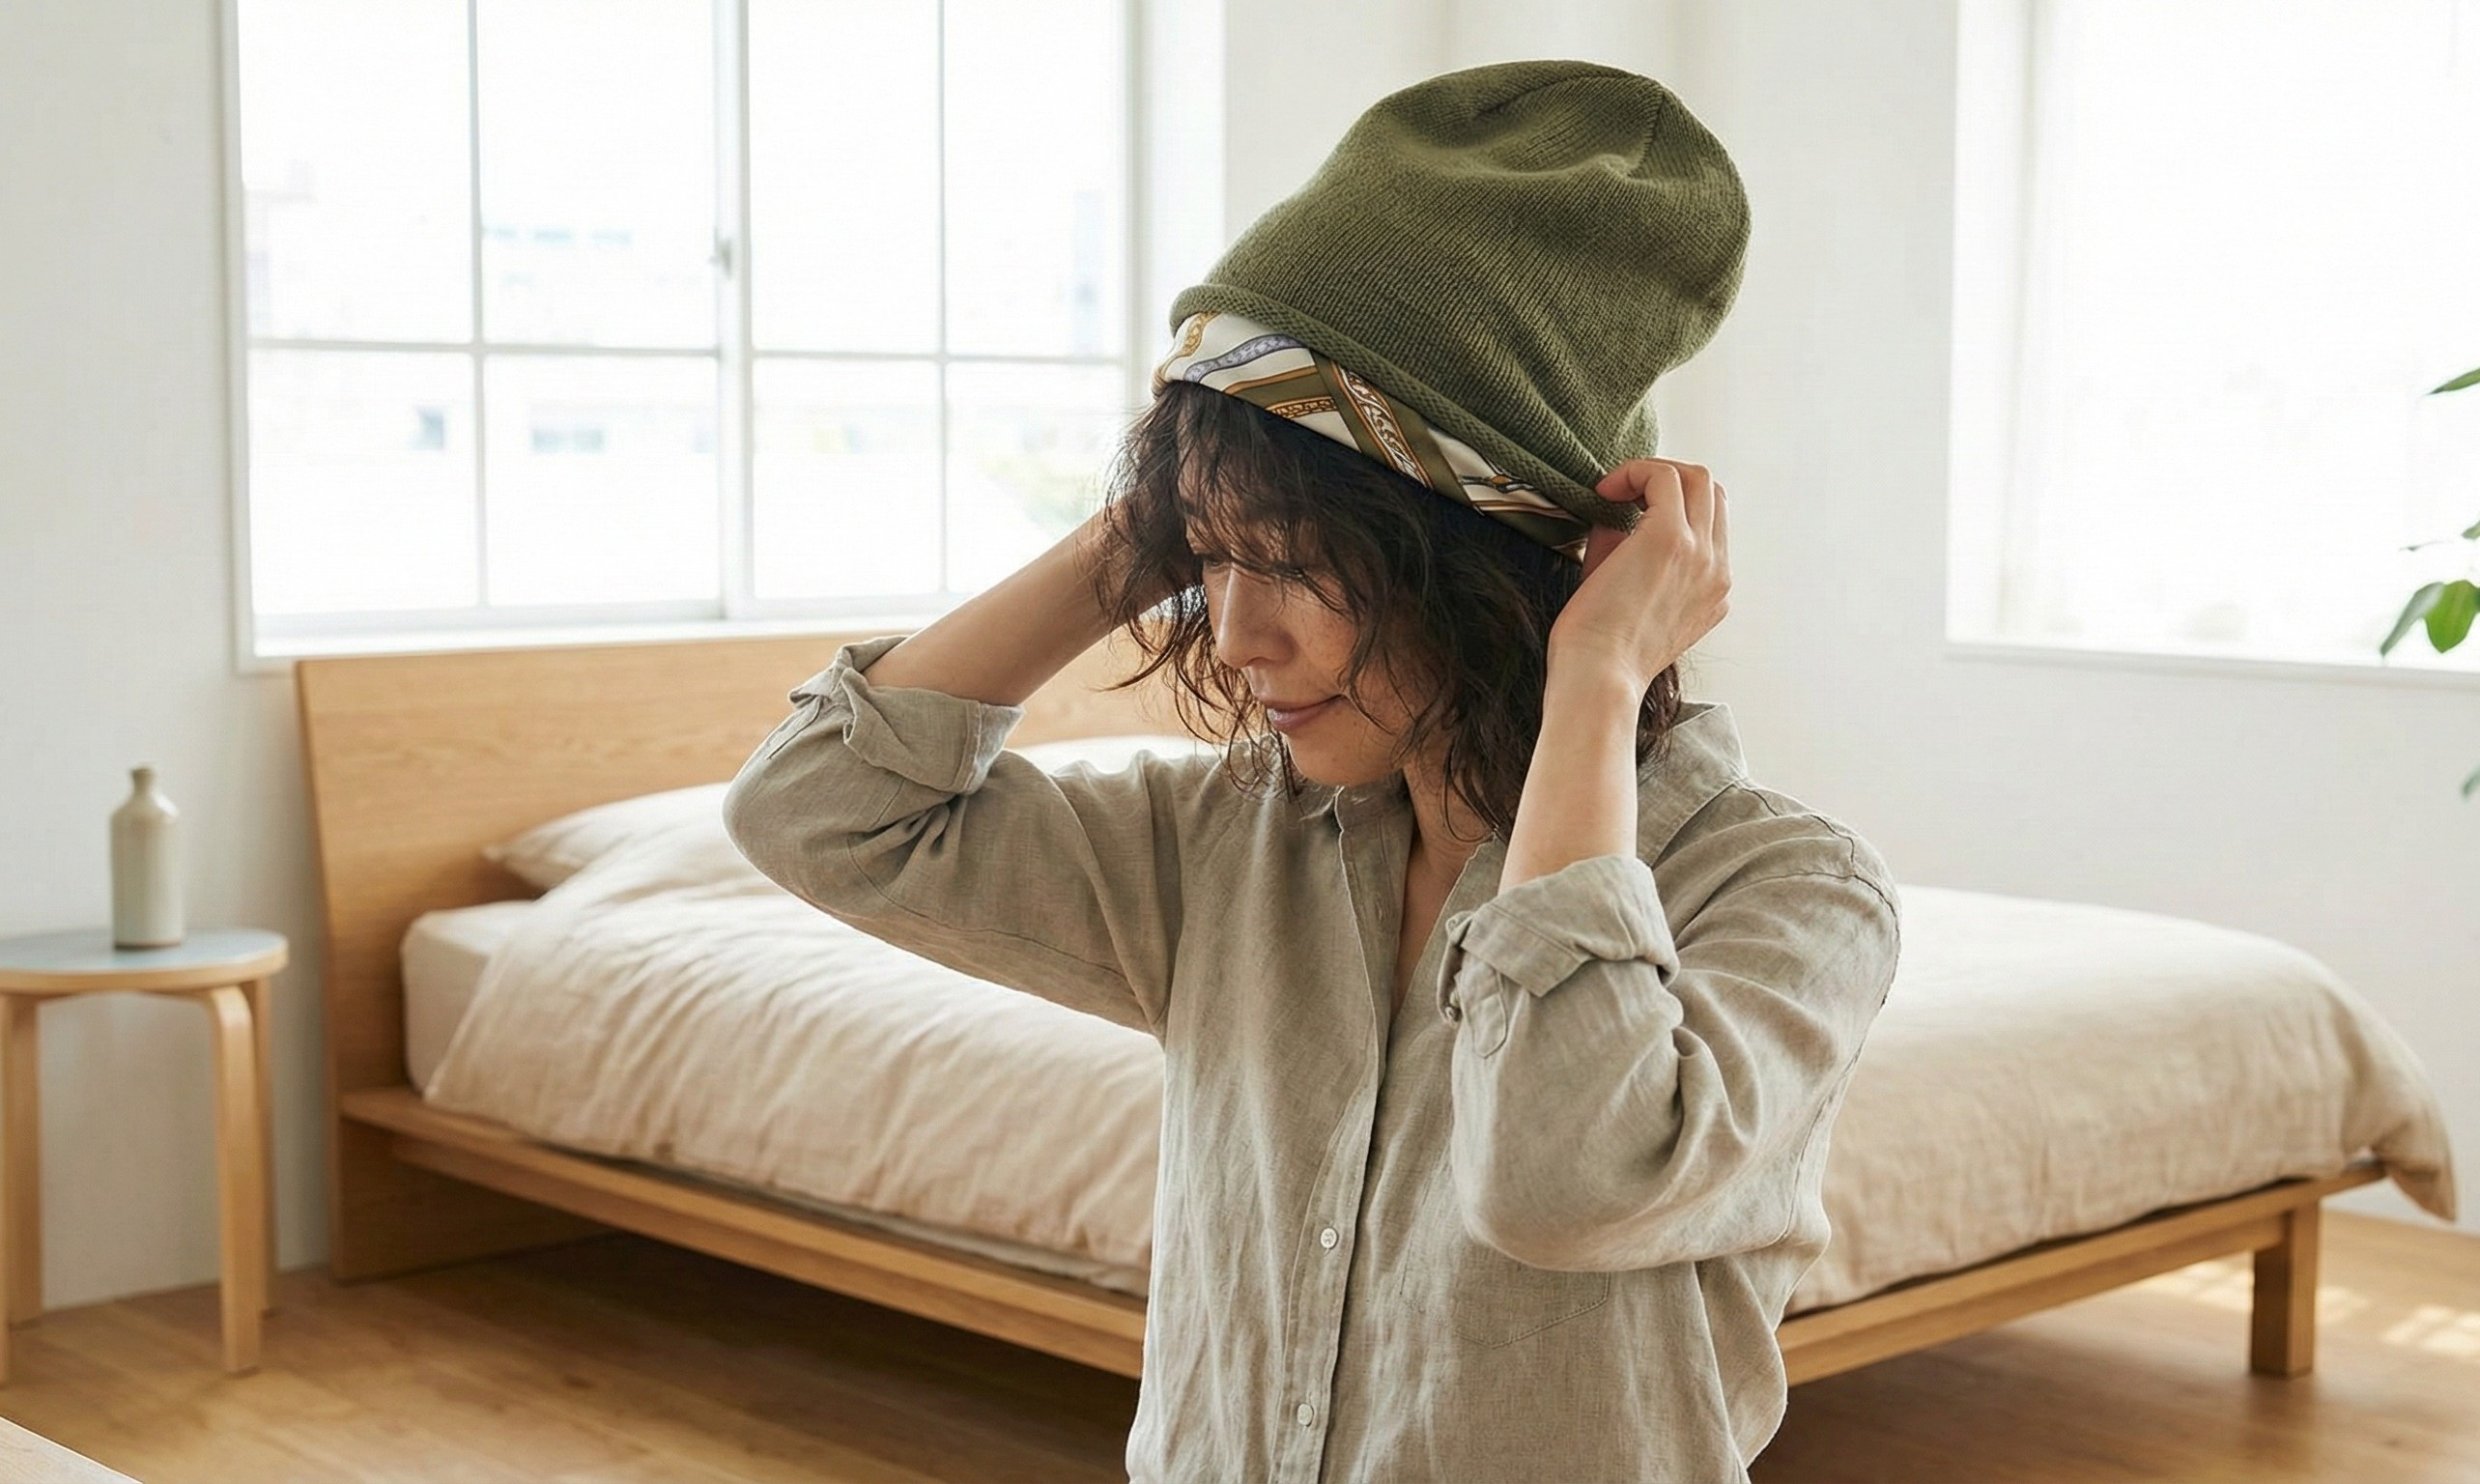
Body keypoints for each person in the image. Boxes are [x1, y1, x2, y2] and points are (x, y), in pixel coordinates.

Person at [723, 58, 1902, 1484]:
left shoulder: (1785, 894)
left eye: (1295, 569)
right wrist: (1171, 507)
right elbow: (816, 807)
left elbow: (1560, 1179)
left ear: (1490, 557)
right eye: (1206, 564)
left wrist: (1597, 679)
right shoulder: (1229, 847)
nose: (1234, 634)